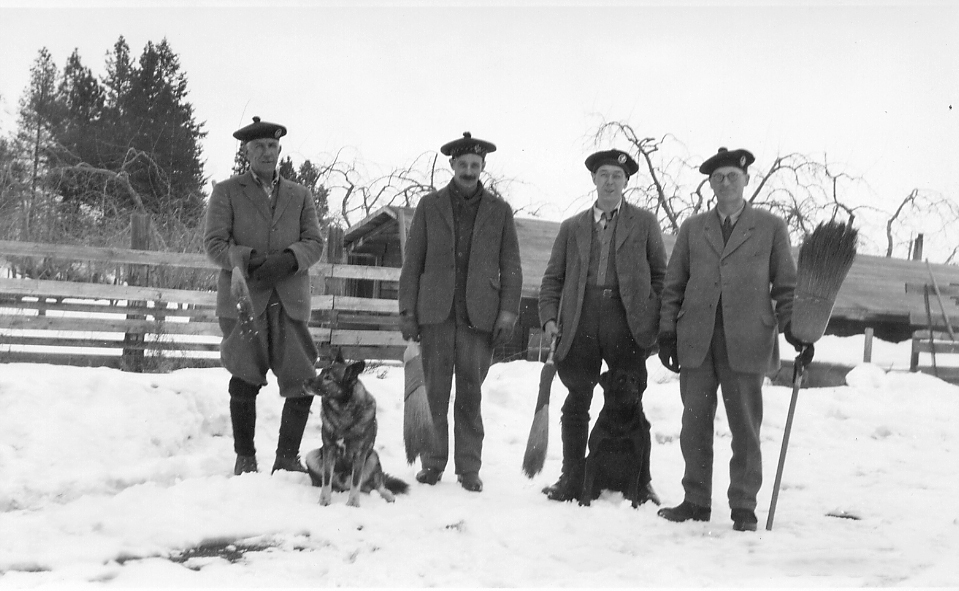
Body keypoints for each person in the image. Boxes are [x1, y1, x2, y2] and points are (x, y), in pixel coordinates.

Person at [656, 147, 813, 532]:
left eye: (733, 177)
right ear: (710, 184)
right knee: (694, 424)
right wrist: (666, 331)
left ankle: (743, 505)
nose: (725, 184)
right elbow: (674, 284)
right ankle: (695, 499)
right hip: (697, 338)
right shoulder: (694, 228)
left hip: (747, 339)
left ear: (746, 181)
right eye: (718, 178)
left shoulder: (771, 226)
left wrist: (795, 328)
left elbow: (787, 287)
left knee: (745, 427)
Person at [538, 149, 668, 503]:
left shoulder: (644, 223)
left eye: (617, 176)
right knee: (577, 400)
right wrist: (550, 318)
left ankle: (642, 480)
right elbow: (552, 278)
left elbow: (661, 275)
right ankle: (572, 476)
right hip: (580, 320)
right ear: (594, 180)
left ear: (626, 182)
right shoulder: (572, 227)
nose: (610, 181)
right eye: (604, 175)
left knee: (631, 400)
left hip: (625, 322)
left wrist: (650, 316)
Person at [398, 132, 523, 493]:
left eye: (475, 165)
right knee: (434, 392)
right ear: (452, 166)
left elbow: (511, 266)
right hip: (436, 316)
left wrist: (508, 314)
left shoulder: (500, 211)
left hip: (478, 319)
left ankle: (469, 468)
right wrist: (407, 309)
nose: (469, 171)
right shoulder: (429, 206)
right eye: (463, 165)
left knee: (471, 394)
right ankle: (432, 464)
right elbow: (413, 262)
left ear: (483, 168)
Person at [204, 116, 325, 476]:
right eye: (259, 147)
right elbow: (213, 245)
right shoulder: (226, 192)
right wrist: (249, 260)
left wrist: (289, 260)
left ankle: (287, 458)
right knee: (243, 376)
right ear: (247, 152)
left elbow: (315, 243)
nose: (267, 153)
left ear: (279, 150)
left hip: (289, 300)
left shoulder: (300, 195)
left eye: (272, 146)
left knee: (302, 378)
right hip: (244, 300)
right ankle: (245, 458)